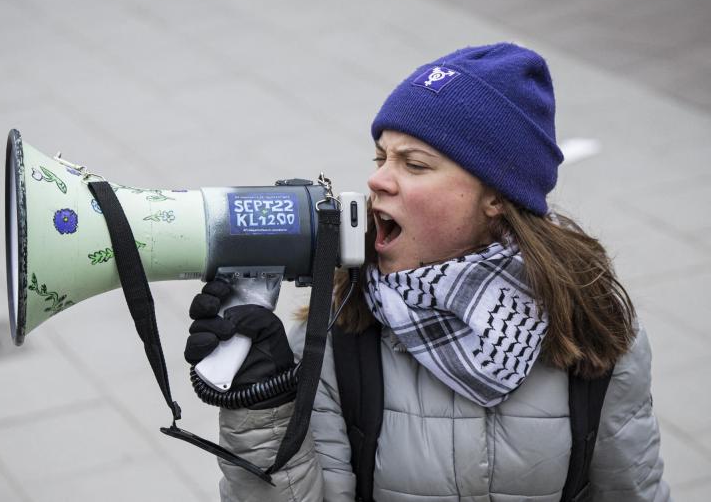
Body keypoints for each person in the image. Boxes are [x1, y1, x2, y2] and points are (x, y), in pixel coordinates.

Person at [184, 42, 671, 501]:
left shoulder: (592, 325)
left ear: (497, 197)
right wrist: (260, 405)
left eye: (414, 164)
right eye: (381, 157)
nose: (376, 179)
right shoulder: (337, 332)